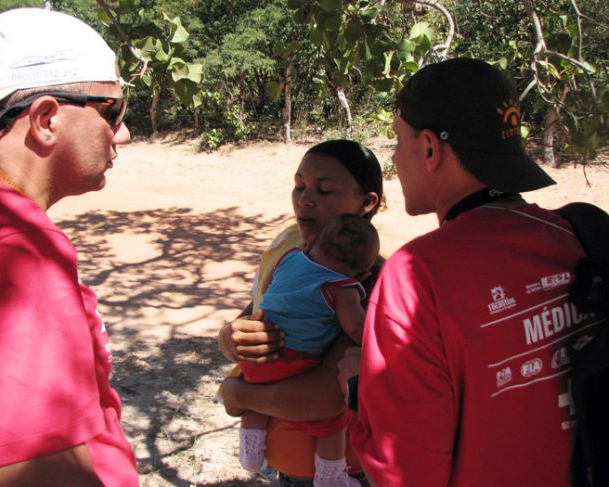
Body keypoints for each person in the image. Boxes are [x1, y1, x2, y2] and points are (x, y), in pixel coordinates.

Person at [348, 57, 605, 486]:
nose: (393, 156)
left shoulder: (415, 277)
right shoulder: (580, 236)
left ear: (429, 148)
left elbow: (404, 473)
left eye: (397, 138)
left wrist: (361, 388)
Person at [0, 8, 138, 487]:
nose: (123, 132)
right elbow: (40, 473)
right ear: (45, 118)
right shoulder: (13, 246)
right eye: (112, 112)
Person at [218, 139, 385, 486]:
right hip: (288, 467)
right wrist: (230, 337)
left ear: (366, 203)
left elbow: (324, 400)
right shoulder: (291, 253)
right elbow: (252, 315)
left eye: (324, 190)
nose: (305, 199)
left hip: (344, 470)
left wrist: (238, 394)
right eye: (299, 186)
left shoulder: (364, 282)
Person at [239, 214, 380, 486]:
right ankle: (330, 476)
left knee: (255, 397)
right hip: (298, 361)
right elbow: (354, 328)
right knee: (332, 423)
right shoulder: (341, 286)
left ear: (313, 244)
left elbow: (263, 296)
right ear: (362, 275)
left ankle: (251, 452)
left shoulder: (288, 258)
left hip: (259, 353)